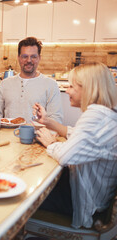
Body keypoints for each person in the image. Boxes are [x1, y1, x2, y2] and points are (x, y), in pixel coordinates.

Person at [34, 62, 117, 229]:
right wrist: (47, 122)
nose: (67, 91)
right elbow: (77, 135)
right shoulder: (108, 113)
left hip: (84, 200)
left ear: (88, 88)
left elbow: (65, 156)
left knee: (26, 193)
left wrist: (50, 143)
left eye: (72, 86)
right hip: (98, 195)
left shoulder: (95, 115)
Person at [0, 37, 63, 123]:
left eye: (33, 56)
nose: (29, 60)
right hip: (7, 135)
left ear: (39, 58)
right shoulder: (5, 84)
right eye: (25, 56)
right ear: (18, 58)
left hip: (36, 135)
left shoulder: (50, 84)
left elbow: (56, 119)